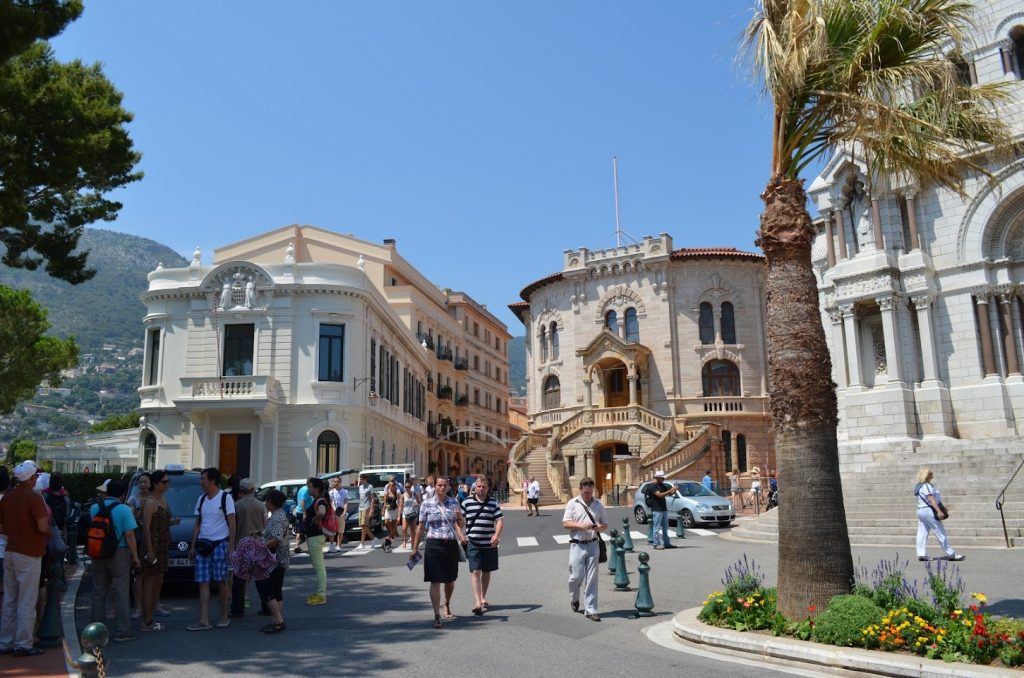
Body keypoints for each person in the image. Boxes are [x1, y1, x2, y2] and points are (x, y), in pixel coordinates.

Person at [0, 461, 51, 656]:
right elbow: (42, 527)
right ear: (30, 479)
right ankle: (23, 643)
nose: (37, 478)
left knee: (10, 599)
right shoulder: (35, 498)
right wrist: (49, 535)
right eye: (35, 476)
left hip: (11, 551)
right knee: (27, 600)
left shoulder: (7, 498)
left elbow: (1, 527)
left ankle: (5, 641)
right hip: (29, 553)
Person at [410, 476, 466, 629]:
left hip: (450, 544)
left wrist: (460, 518)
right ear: (434, 486)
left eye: (444, 485)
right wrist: (414, 548)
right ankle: (436, 614)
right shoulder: (426, 504)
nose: (442, 488)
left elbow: (459, 523)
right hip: (433, 544)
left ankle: (446, 603)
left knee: (450, 579)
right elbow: (420, 527)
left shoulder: (454, 502)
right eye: (439, 485)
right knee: (435, 580)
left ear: (447, 487)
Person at [89, 479, 141, 643]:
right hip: (119, 552)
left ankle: (96, 631)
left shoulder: (94, 508)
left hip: (98, 552)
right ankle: (123, 630)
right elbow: (130, 535)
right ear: (123, 494)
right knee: (121, 591)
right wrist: (135, 556)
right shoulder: (124, 509)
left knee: (99, 591)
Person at [187, 467, 236, 631]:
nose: (201, 482)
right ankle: (204, 619)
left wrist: (231, 547)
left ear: (213, 481)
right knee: (203, 582)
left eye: (203, 479)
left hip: (220, 543)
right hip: (203, 544)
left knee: (222, 581)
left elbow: (232, 522)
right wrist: (193, 545)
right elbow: (198, 523)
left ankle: (224, 615)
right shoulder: (201, 499)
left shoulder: (225, 498)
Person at [562, 477, 606, 622]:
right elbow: (565, 523)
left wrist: (600, 527)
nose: (588, 495)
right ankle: (574, 597)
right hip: (577, 544)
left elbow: (604, 524)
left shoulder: (598, 504)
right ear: (580, 490)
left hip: (593, 544)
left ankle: (591, 609)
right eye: (585, 492)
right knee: (576, 576)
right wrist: (581, 525)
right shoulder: (572, 503)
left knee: (592, 579)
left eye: (590, 492)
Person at [141, 470, 178, 631]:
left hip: (163, 544)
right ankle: (147, 621)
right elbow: (146, 528)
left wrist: (172, 522)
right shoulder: (150, 502)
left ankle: (151, 615)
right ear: (155, 484)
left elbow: (161, 522)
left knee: (158, 582)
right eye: (164, 482)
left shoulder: (163, 500)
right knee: (150, 582)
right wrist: (149, 550)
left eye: (168, 481)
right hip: (154, 546)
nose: (167, 484)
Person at [462, 476, 503, 615]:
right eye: (479, 486)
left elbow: (499, 520)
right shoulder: (467, 502)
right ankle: (477, 601)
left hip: (489, 543)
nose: (481, 489)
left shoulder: (493, 502)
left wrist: (496, 535)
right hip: (473, 542)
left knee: (486, 571)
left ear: (488, 488)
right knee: (475, 571)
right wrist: (461, 535)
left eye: (484, 487)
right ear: (475, 487)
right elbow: (460, 520)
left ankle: (483, 596)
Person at [230, 478, 267, 618]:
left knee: (239, 578)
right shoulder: (261, 505)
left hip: (241, 543)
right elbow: (265, 524)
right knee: (261, 577)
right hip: (258, 543)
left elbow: (232, 526)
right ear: (253, 490)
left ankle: (237, 609)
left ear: (241, 490)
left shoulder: (236, 505)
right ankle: (266, 605)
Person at [256, 489, 289, 633]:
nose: (265, 503)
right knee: (276, 591)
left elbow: (276, 538)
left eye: (267, 501)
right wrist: (260, 534)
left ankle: (278, 621)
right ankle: (277, 619)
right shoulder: (280, 515)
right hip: (282, 559)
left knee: (267, 591)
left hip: (273, 560)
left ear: (271, 502)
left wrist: (260, 544)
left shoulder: (276, 517)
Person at [915, 468, 965, 562]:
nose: (932, 473)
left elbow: (934, 499)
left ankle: (921, 554)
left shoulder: (920, 486)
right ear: (927, 475)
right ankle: (951, 554)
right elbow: (931, 498)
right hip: (928, 510)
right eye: (931, 473)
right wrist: (939, 511)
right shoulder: (927, 486)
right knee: (940, 531)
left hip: (921, 510)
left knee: (922, 532)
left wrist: (942, 507)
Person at [128, 472, 151, 621]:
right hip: (138, 538)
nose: (143, 484)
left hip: (151, 539)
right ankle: (137, 607)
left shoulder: (155, 498)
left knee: (152, 575)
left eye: (145, 482)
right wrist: (141, 510)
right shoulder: (133, 499)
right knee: (139, 575)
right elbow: (131, 520)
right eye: (141, 482)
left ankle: (153, 605)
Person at [303, 478, 330, 605]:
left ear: (316, 489)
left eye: (310, 487)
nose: (308, 489)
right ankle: (320, 593)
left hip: (315, 536)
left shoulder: (320, 501)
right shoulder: (318, 500)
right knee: (318, 566)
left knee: (319, 567)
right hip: (314, 536)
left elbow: (322, 512)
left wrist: (314, 519)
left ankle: (321, 595)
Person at [645, 471, 676, 550]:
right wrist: (670, 490)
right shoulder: (652, 486)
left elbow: (669, 494)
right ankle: (656, 543)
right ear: (657, 478)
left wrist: (674, 490)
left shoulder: (662, 485)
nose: (663, 479)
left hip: (663, 508)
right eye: (662, 478)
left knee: (665, 527)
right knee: (656, 527)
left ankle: (666, 543)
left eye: (663, 478)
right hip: (656, 508)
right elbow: (659, 495)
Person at [328, 478, 349, 551]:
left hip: (341, 512)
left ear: (340, 482)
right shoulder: (331, 492)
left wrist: (344, 512)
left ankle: (338, 545)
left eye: (337, 481)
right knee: (332, 530)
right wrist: (331, 511)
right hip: (333, 513)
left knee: (340, 530)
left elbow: (346, 502)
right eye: (335, 481)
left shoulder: (344, 491)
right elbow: (330, 502)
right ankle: (332, 545)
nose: (336, 483)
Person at [356, 474, 376, 550]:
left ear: (365, 479)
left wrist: (372, 509)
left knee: (364, 524)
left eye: (362, 479)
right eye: (360, 479)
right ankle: (373, 538)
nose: (360, 480)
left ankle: (362, 543)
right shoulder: (360, 487)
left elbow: (373, 499)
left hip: (366, 507)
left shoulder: (370, 487)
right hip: (360, 507)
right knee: (362, 525)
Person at [399, 481, 420, 549]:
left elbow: (420, 503)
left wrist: (416, 504)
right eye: (406, 487)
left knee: (412, 529)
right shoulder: (403, 496)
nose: (407, 488)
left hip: (412, 514)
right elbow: (400, 506)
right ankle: (404, 541)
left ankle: (412, 543)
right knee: (404, 529)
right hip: (405, 514)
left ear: (411, 487)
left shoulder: (414, 494)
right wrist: (399, 515)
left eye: (408, 487)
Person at [293, 480, 311, 554]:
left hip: (299, 511)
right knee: (308, 530)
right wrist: (304, 513)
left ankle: (297, 546)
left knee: (300, 530)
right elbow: (303, 501)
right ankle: (308, 547)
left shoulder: (302, 488)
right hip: (304, 511)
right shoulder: (306, 490)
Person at [382, 478, 400, 549]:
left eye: (393, 485)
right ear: (389, 486)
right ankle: (392, 534)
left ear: (394, 486)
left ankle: (390, 536)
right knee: (386, 522)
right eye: (390, 485)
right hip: (388, 510)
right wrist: (383, 511)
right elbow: (385, 503)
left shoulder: (396, 493)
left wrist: (399, 513)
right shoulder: (386, 493)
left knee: (393, 524)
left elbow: (398, 503)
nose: (391, 486)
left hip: (394, 510)